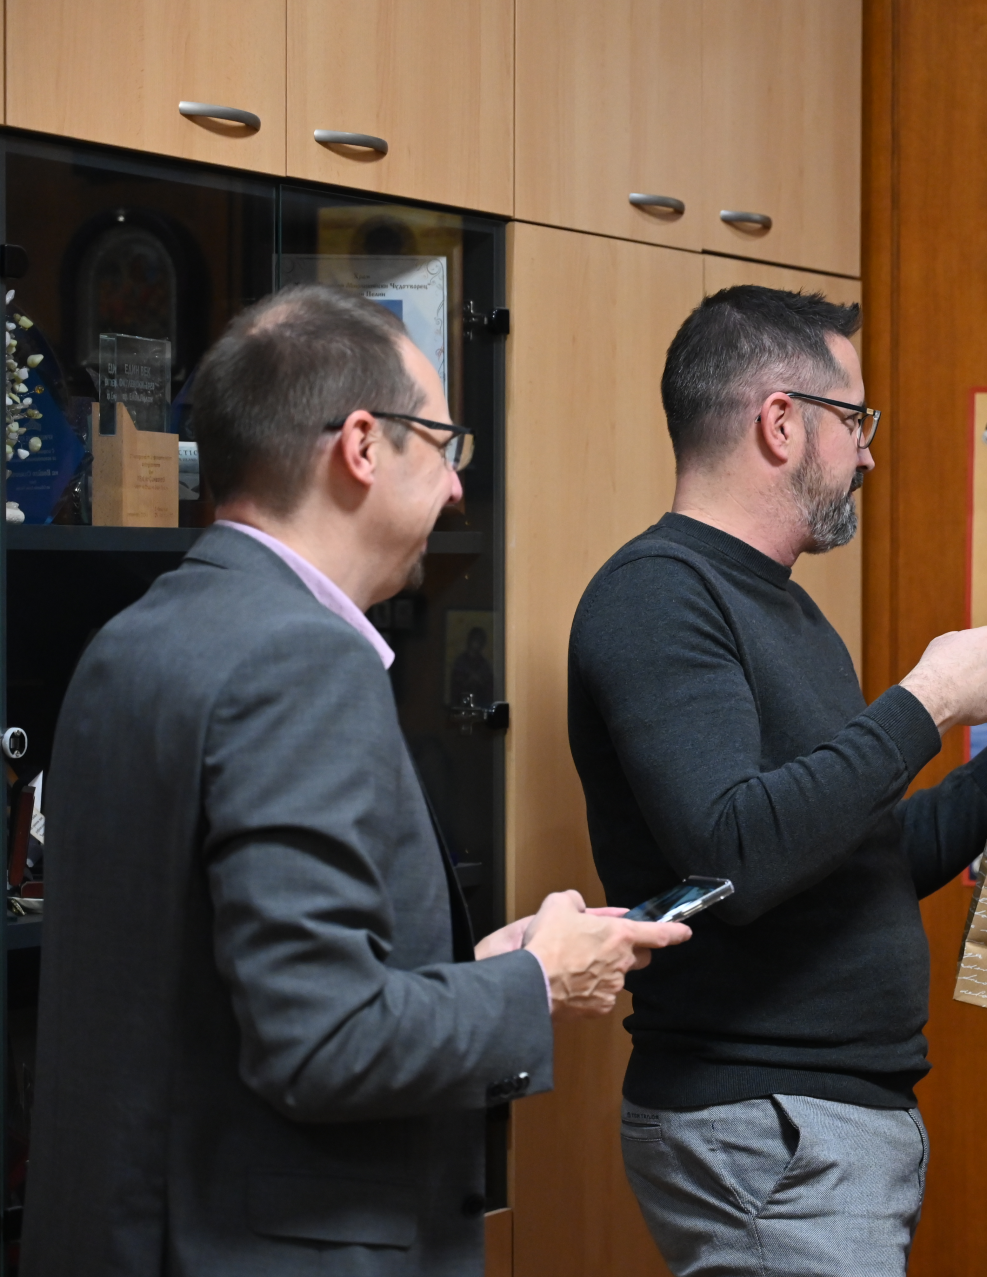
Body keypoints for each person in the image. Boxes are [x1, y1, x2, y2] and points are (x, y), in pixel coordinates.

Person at [22, 285, 690, 1277]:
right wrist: (536, 981)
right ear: (363, 446)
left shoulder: (131, 638)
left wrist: (469, 973)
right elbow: (322, 1039)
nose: (457, 488)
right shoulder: (302, 659)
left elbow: (214, 987)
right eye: (445, 445)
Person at [567, 285, 987, 1277]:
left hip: (819, 1123)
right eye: (855, 420)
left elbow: (866, 858)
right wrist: (928, 702)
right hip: (768, 1121)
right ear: (782, 423)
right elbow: (735, 852)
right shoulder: (656, 595)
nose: (866, 454)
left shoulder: (790, 610)